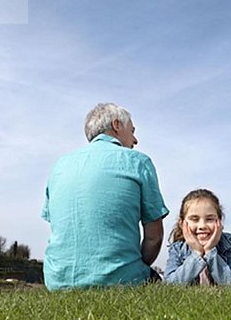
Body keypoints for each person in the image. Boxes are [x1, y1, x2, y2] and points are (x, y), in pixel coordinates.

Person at [41, 103, 169, 289]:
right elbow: (154, 237)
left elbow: (59, 225)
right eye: (132, 131)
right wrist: (133, 268)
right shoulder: (138, 161)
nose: (135, 140)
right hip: (121, 281)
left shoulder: (59, 166)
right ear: (116, 125)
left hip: (56, 283)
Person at [164, 189, 231, 286]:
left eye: (209, 219)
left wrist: (210, 252)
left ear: (219, 222)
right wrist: (197, 254)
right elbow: (169, 285)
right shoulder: (177, 249)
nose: (202, 226)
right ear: (182, 223)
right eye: (194, 219)